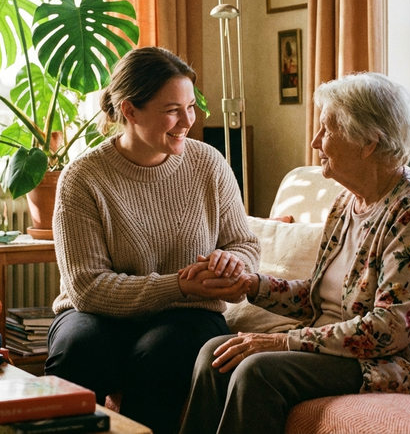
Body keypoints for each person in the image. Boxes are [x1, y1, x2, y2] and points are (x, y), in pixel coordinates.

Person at [179, 72, 410, 434]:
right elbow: (321, 296)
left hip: (403, 361)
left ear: (368, 142)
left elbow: (391, 328)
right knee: (215, 354)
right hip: (342, 345)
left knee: (258, 371)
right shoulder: (347, 202)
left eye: (327, 130)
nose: (316, 141)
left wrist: (283, 340)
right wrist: (251, 284)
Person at [45, 47, 261, 434]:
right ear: (129, 111)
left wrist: (234, 263)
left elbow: (243, 243)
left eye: (190, 107)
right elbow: (87, 288)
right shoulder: (83, 178)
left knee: (163, 353)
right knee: (79, 349)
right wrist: (178, 284)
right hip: (99, 313)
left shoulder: (209, 164)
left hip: (189, 313)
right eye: (172, 110)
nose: (188, 121)